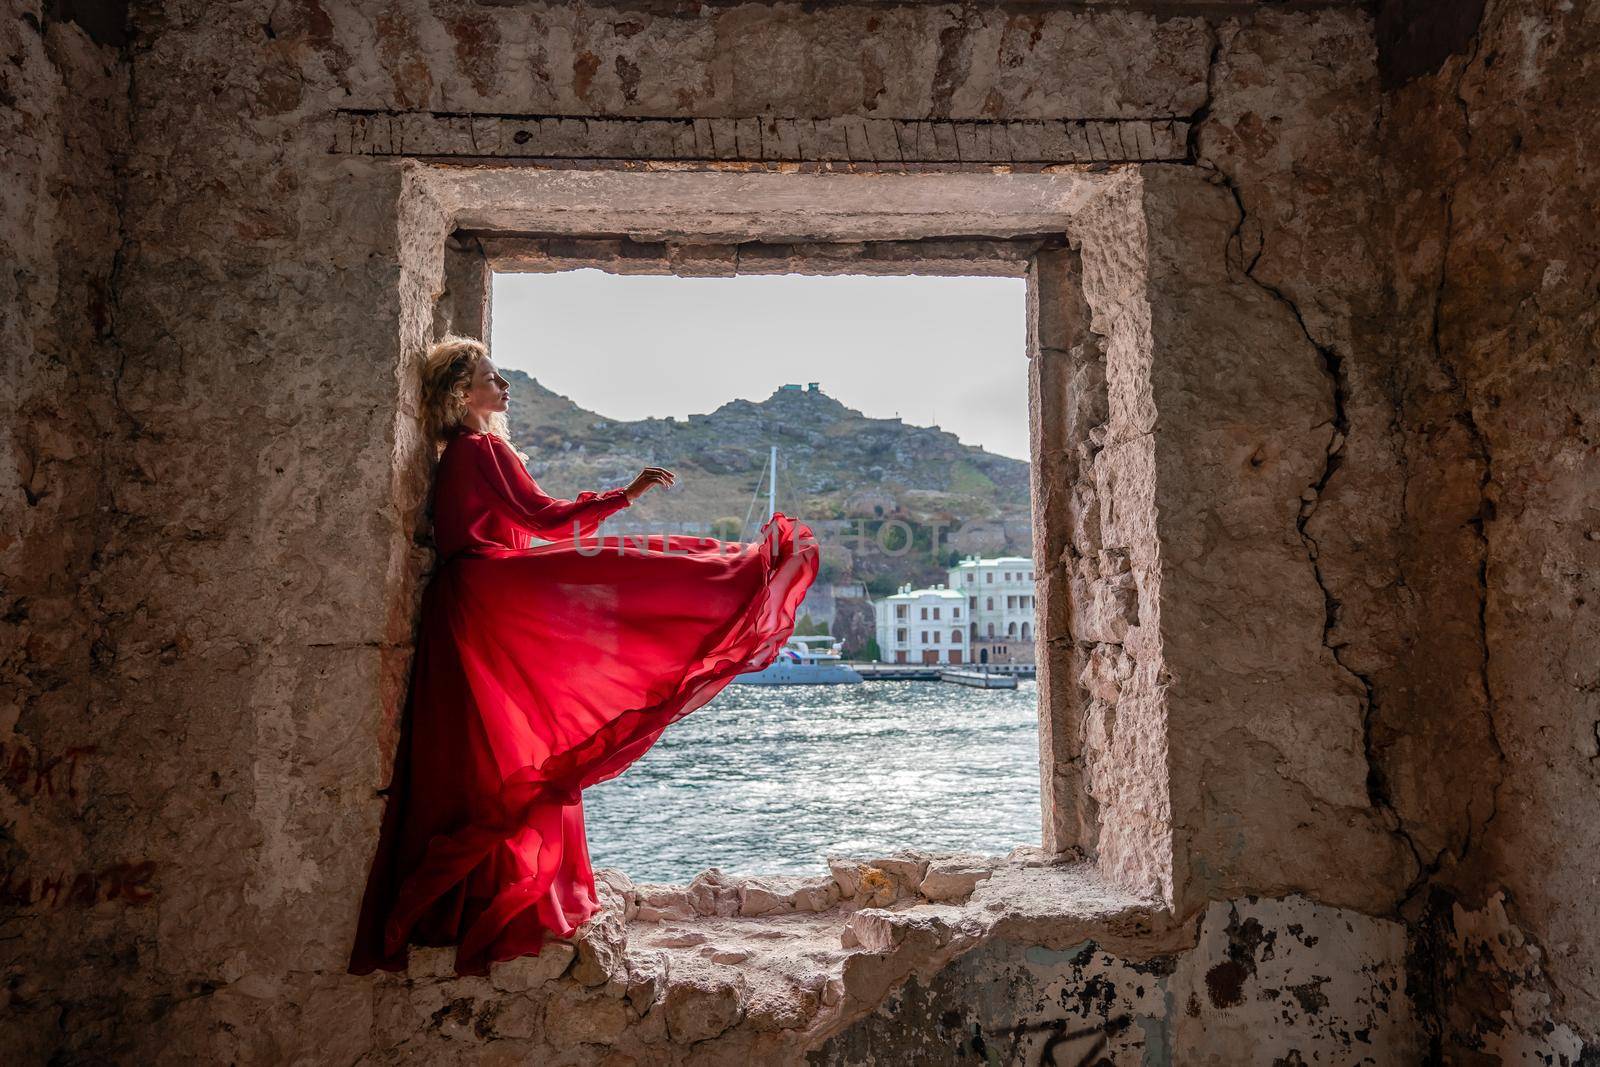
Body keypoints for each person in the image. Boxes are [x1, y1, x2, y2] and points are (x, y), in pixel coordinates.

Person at [348, 334, 819, 977]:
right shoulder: (483, 447)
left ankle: (460, 902)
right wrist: (626, 495)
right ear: (464, 393)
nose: (505, 388)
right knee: (632, 574)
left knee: (483, 751)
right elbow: (545, 519)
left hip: (463, 604)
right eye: (493, 378)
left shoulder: (457, 452)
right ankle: (741, 573)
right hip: (486, 598)